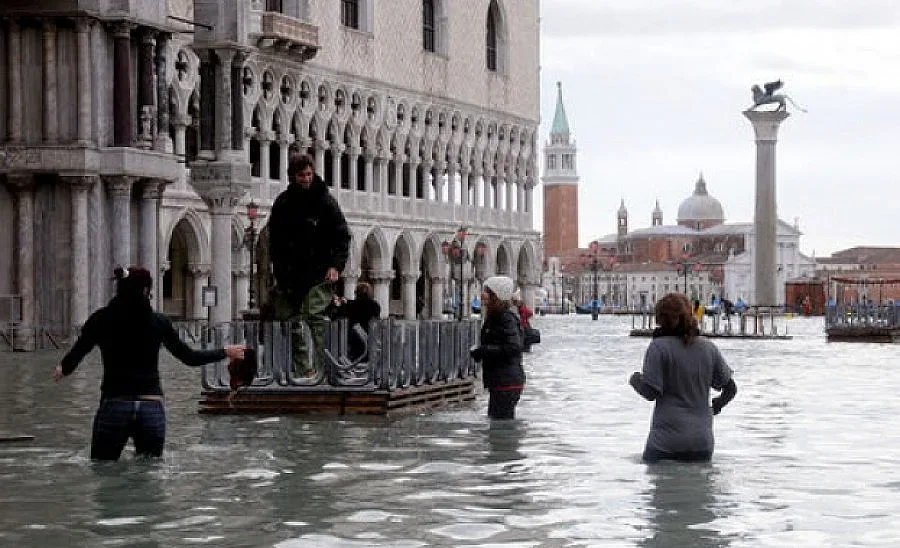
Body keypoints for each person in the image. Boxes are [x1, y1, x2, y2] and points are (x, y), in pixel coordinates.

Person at [52, 266, 245, 461]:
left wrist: (64, 368)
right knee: (149, 470)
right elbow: (189, 357)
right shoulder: (159, 322)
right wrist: (225, 352)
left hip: (115, 403)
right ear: (145, 290)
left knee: (103, 467)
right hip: (150, 406)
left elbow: (80, 349)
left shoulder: (101, 318)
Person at [268, 153, 351, 377]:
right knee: (291, 321)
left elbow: (342, 236)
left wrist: (336, 266)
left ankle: (327, 370)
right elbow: (274, 241)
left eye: (308, 174)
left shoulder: (325, 201)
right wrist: (278, 271)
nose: (305, 179)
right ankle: (303, 370)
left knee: (316, 319)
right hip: (290, 274)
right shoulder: (283, 203)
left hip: (318, 271)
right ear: (293, 176)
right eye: (301, 175)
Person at [628, 293, 737, 463]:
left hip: (665, 443)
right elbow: (731, 389)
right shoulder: (708, 348)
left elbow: (650, 392)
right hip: (702, 443)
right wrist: (717, 405)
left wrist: (635, 380)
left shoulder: (658, 347)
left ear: (660, 319)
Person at [469, 276, 525, 419]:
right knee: (495, 420)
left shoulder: (505, 318)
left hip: (507, 382)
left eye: (487, 292)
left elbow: (513, 347)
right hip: (501, 381)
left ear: (496, 296)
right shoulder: (495, 317)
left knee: (500, 421)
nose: (483, 295)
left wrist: (484, 351)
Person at [331, 282, 382, 362]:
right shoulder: (375, 305)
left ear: (357, 293)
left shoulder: (351, 305)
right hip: (371, 336)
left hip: (354, 338)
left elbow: (336, 316)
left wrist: (339, 304)